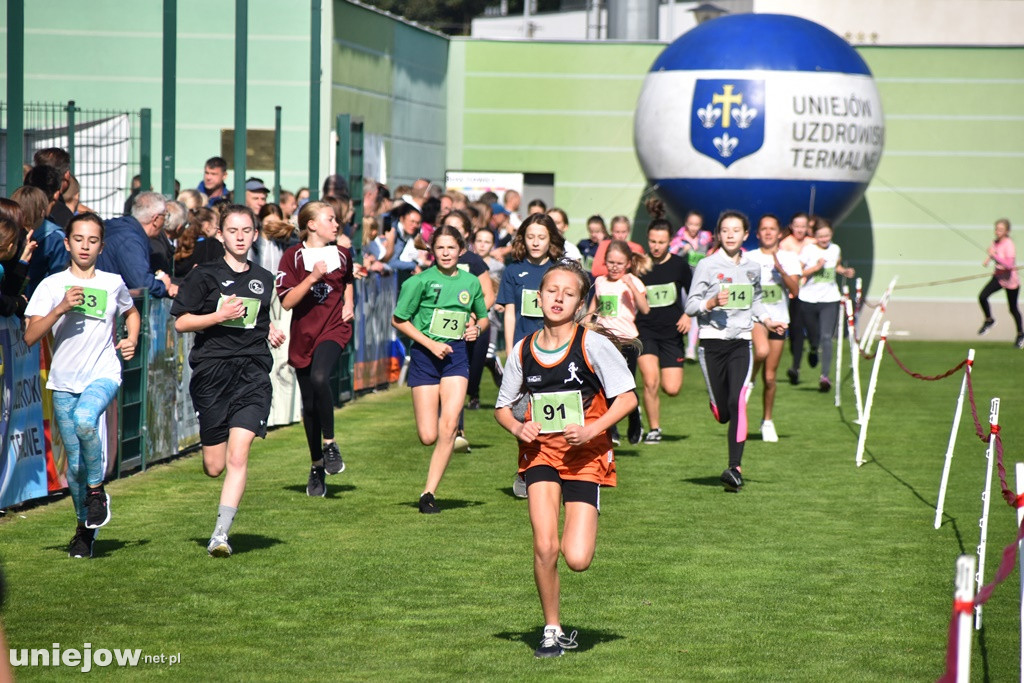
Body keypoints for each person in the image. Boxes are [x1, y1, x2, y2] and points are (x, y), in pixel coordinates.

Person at [493, 258, 637, 659]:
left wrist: (592, 429)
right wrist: (518, 428)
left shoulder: (593, 345)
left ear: (580, 303)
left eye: (568, 293)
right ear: (537, 298)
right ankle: (551, 629)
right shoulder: (523, 349)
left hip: (585, 456)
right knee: (545, 545)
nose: (558, 298)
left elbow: (627, 398)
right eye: (551, 291)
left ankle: (589, 509)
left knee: (577, 559)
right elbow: (503, 407)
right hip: (540, 455)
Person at [24, 213, 141, 558]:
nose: (85, 246)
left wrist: (130, 339)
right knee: (73, 465)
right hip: (63, 381)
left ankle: (97, 491)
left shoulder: (112, 282)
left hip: (103, 372)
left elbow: (131, 312)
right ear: (67, 243)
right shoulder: (50, 285)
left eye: (92, 240)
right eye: (79, 239)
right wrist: (61, 307)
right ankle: (83, 530)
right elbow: (30, 336)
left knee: (87, 420)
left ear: (101, 246)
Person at [171, 205, 286, 556]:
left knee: (240, 455)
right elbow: (180, 323)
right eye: (232, 230)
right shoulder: (203, 275)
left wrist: (272, 333)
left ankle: (220, 535)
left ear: (255, 234)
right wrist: (218, 315)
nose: (239, 236)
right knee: (214, 466)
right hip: (211, 373)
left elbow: (259, 321)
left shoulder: (264, 278)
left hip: (252, 373)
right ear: (221, 235)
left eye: (246, 230)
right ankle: (219, 526)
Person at [684, 211, 786, 492]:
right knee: (724, 412)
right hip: (712, 342)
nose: (730, 235)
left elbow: (756, 302)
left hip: (742, 342)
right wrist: (711, 302)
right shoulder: (707, 265)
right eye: (725, 230)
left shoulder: (753, 267)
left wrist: (768, 321)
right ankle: (717, 407)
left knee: (738, 401)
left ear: (745, 235)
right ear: (718, 235)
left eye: (735, 230)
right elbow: (690, 305)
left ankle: (734, 468)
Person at [391, 226, 488, 514]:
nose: (446, 253)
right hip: (425, 356)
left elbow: (482, 318)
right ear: (432, 250)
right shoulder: (419, 282)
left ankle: (428, 493)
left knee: (448, 427)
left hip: (456, 356)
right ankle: (442, 431)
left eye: (451, 248)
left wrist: (474, 329)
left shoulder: (471, 283)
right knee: (428, 436)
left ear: (461, 250)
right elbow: (399, 320)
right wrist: (431, 344)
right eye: (440, 248)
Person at [277, 201, 355, 497]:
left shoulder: (343, 254)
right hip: (303, 335)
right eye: (330, 219)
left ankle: (330, 443)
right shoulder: (292, 257)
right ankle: (316, 465)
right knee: (309, 405)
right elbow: (286, 301)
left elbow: (348, 280)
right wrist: (312, 278)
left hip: (334, 328)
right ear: (311, 225)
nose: (336, 224)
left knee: (322, 378)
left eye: (336, 219)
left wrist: (349, 303)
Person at [497, 214, 567, 493]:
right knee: (519, 412)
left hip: (558, 350)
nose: (535, 242)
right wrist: (511, 348)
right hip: (525, 352)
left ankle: (555, 466)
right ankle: (526, 467)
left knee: (557, 411)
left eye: (541, 237)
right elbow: (511, 313)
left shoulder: (560, 271)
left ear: (551, 240)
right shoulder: (513, 272)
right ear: (522, 239)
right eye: (530, 237)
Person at [636, 202, 692, 443]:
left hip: (672, 333)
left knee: (672, 389)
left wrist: (688, 315)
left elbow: (695, 295)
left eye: (661, 242)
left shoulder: (680, 266)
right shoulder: (640, 265)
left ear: (670, 241)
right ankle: (654, 428)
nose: (656, 246)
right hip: (645, 330)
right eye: (652, 241)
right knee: (650, 381)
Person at [746, 215, 801, 442]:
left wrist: (781, 270)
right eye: (764, 229)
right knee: (761, 351)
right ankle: (749, 381)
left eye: (772, 229)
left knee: (770, 378)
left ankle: (767, 421)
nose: (768, 233)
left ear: (780, 233)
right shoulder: (749, 257)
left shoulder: (789, 257)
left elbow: (795, 290)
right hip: (756, 318)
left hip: (780, 320)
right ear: (758, 234)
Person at [588, 240, 650, 444]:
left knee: (624, 386)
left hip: (627, 341)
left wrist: (631, 286)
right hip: (604, 341)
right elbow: (593, 310)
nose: (614, 267)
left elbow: (645, 308)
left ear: (628, 264)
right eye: (611, 262)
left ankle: (634, 417)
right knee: (605, 386)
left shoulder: (633, 281)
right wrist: (584, 327)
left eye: (619, 263)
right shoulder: (599, 282)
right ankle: (612, 429)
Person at [793, 217, 855, 392]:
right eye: (821, 236)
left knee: (827, 336)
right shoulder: (808, 250)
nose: (824, 239)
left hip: (830, 298)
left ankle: (825, 377)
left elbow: (836, 266)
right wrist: (815, 268)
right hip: (808, 299)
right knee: (814, 338)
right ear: (814, 236)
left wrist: (845, 271)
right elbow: (798, 272)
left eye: (827, 235)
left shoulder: (835, 249)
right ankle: (813, 349)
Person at [98, 191, 176, 298]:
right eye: (165, 216)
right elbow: (141, 283)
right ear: (156, 219)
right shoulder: (131, 241)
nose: (165, 222)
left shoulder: (118, 227)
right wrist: (163, 285)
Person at [978, 218, 1023, 348]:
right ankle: (989, 319)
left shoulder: (1009, 244)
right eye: (996, 229)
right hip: (998, 278)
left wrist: (994, 256)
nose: (997, 232)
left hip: (1010, 281)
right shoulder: (995, 242)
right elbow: (993, 254)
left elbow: (1009, 265)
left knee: (1013, 309)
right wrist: (988, 259)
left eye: (1000, 230)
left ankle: (1020, 334)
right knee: (982, 297)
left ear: (1007, 231)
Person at [779, 212, 812, 383]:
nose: (800, 229)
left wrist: (804, 270)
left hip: (811, 294)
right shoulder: (785, 244)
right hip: (793, 294)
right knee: (794, 332)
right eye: (797, 226)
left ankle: (805, 358)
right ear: (791, 226)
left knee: (809, 332)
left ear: (808, 227)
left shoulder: (812, 244)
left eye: (803, 226)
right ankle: (796, 366)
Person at [175, 207, 225, 273]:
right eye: (216, 224)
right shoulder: (213, 245)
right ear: (207, 225)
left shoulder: (180, 242)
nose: (217, 227)